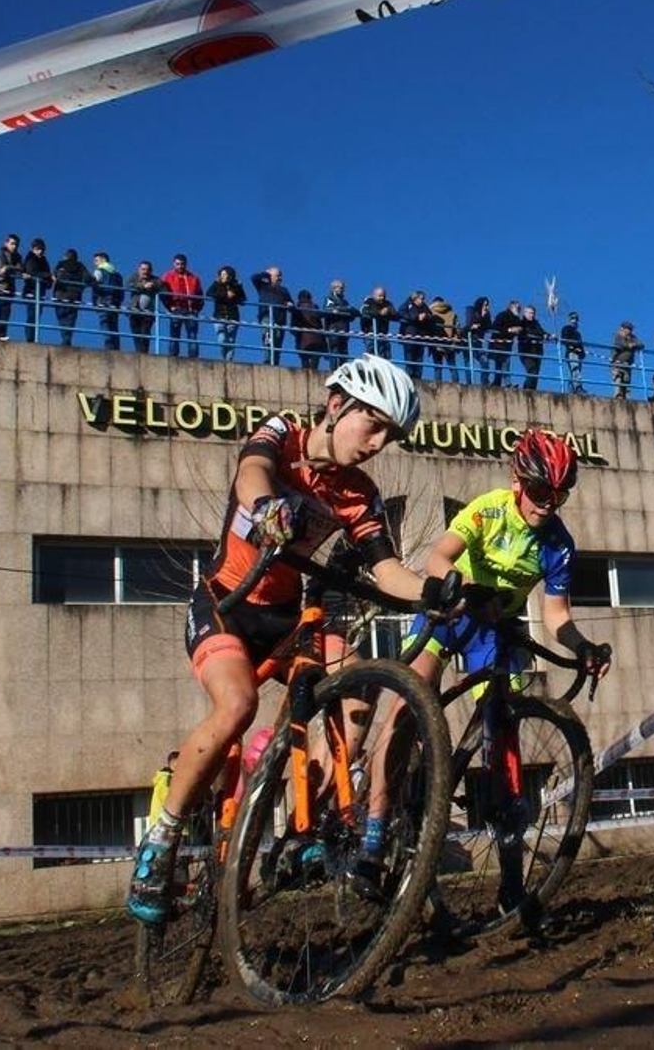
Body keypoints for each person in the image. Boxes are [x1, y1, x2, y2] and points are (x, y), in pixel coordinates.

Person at [128, 355, 446, 924]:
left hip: (286, 617)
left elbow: (386, 567)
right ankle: (162, 838)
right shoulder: (283, 433)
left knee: (353, 694)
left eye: (389, 436)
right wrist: (266, 505)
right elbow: (252, 473)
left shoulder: (359, 493)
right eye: (371, 424)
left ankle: (312, 822)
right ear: (336, 405)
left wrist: (434, 592)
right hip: (226, 605)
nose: (377, 442)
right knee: (239, 706)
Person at [389, 430, 612, 895]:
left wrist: (583, 647)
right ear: (517, 482)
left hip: (494, 633)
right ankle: (387, 809)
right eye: (539, 492)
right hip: (451, 615)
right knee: (411, 701)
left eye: (559, 494)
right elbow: (437, 558)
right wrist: (468, 590)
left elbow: (556, 615)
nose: (548, 503)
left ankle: (511, 876)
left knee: (502, 735)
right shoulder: (488, 508)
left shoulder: (559, 544)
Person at [160, 254, 204, 359]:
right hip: (176, 309)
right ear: (173, 264)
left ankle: (193, 358)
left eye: (182, 264)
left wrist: (196, 309)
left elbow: (200, 295)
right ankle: (173, 357)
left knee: (192, 335)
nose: (180, 266)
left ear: (186, 264)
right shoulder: (167, 276)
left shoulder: (194, 278)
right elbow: (163, 293)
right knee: (174, 334)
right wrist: (169, 306)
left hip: (190, 310)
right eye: (177, 264)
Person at [252, 266, 294, 366]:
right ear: (270, 275)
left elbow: (291, 302)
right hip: (267, 316)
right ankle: (267, 361)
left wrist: (289, 304)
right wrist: (265, 273)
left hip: (280, 319)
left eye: (281, 276)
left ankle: (275, 363)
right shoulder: (263, 285)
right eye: (278, 275)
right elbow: (254, 278)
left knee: (278, 341)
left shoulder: (284, 290)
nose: (280, 278)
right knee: (268, 339)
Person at [50, 249, 90, 347]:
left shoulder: (61, 264)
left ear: (65, 256)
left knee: (62, 318)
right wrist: (80, 288)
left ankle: (65, 339)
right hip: (75, 296)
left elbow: (53, 276)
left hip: (60, 294)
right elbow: (87, 278)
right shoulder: (80, 266)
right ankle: (67, 339)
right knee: (71, 319)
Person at [207, 266, 247, 361]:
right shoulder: (217, 284)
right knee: (222, 339)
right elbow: (209, 293)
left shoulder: (236, 286)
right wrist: (225, 295)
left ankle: (228, 360)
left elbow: (243, 300)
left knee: (231, 340)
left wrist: (235, 294)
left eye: (225, 274)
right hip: (219, 316)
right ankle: (223, 357)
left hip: (233, 316)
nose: (223, 276)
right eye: (222, 274)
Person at [0, 234, 23, 341]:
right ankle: (1, 334)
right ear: (6, 243)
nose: (14, 246)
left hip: (9, 288)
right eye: (12, 244)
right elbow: (0, 269)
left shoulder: (17, 256)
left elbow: (20, 269)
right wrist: (12, 268)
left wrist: (8, 267)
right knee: (5, 308)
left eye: (16, 245)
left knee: (3, 309)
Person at [397, 290, 437, 380]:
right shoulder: (407, 304)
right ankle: (409, 377)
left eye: (423, 299)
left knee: (419, 358)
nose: (422, 301)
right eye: (421, 299)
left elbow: (431, 316)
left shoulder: (424, 307)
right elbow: (400, 313)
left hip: (421, 336)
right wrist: (416, 317)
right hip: (409, 336)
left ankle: (418, 377)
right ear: (415, 298)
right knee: (409, 358)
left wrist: (425, 316)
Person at [127, 260, 165, 354]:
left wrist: (153, 285)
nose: (145, 272)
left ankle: (144, 353)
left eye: (147, 270)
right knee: (136, 333)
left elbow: (162, 286)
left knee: (145, 333)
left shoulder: (155, 279)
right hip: (134, 310)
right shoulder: (134, 277)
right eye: (143, 269)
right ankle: (139, 352)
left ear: (151, 271)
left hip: (148, 312)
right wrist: (143, 286)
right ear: (139, 269)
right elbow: (128, 285)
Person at [89, 251, 124, 350]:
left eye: (97, 260)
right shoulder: (117, 274)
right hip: (115, 302)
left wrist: (94, 301)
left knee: (105, 323)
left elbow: (94, 284)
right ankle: (116, 348)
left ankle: (109, 347)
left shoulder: (99, 270)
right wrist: (119, 302)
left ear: (103, 259)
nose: (95, 262)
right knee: (114, 325)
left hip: (103, 300)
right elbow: (121, 291)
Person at [20, 239, 52, 341]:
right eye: (38, 249)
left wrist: (48, 280)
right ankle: (30, 339)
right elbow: (33, 272)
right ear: (33, 249)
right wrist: (47, 276)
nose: (40, 251)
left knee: (36, 316)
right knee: (32, 315)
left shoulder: (44, 260)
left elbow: (47, 274)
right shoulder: (30, 258)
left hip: (40, 292)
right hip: (31, 291)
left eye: (42, 249)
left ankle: (33, 337)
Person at [488, 299, 523, 387]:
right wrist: (510, 330)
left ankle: (497, 383)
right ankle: (507, 383)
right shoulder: (502, 315)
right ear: (511, 307)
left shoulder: (517, 319)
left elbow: (521, 329)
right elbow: (495, 328)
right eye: (517, 308)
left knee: (500, 365)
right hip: (497, 343)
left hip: (506, 344)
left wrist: (519, 329)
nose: (519, 310)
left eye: (520, 308)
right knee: (504, 363)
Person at [322, 279, 357, 367]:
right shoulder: (329, 299)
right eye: (339, 287)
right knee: (334, 350)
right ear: (333, 288)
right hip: (334, 328)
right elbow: (327, 310)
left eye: (342, 288)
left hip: (344, 329)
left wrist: (343, 310)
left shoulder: (345, 302)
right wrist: (345, 310)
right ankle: (333, 370)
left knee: (344, 352)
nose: (341, 289)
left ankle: (344, 371)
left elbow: (352, 314)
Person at [358, 285, 397, 363]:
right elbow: (364, 312)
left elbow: (395, 314)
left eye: (383, 296)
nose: (382, 298)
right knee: (370, 352)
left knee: (385, 354)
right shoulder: (368, 303)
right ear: (374, 295)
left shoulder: (387, 304)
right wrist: (379, 313)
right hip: (370, 333)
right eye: (380, 296)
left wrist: (388, 310)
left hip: (383, 333)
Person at [291, 289, 327, 371]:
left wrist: (296, 334)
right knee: (315, 361)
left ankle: (306, 374)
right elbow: (320, 324)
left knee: (304, 360)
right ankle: (314, 373)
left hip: (303, 339)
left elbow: (293, 325)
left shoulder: (297, 309)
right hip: (317, 338)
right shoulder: (315, 307)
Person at [428, 295, 459, 383]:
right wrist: (455, 341)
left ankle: (438, 386)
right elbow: (458, 329)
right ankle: (457, 386)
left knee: (438, 367)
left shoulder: (430, 312)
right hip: (449, 343)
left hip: (436, 342)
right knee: (452, 366)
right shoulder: (452, 313)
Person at [462, 296, 492, 386]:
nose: (486, 307)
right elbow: (469, 325)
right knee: (468, 362)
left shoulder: (486, 314)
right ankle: (469, 383)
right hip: (467, 340)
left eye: (487, 305)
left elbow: (489, 326)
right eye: (485, 305)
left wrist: (484, 316)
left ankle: (484, 382)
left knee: (485, 361)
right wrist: (479, 318)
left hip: (478, 342)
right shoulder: (471, 311)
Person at [517, 305, 548, 390]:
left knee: (536, 374)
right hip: (526, 351)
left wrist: (547, 335)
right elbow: (521, 335)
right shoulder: (521, 323)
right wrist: (529, 338)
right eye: (530, 313)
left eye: (533, 313)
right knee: (532, 370)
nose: (532, 315)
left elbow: (542, 332)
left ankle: (532, 390)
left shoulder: (536, 324)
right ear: (525, 313)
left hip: (537, 351)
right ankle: (526, 390)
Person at [610, 320, 643, 399]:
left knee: (626, 381)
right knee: (618, 379)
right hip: (617, 362)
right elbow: (619, 344)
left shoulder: (633, 337)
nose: (630, 331)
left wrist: (634, 344)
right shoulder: (617, 335)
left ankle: (627, 398)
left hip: (627, 364)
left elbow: (641, 344)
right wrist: (628, 345)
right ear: (622, 328)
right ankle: (618, 396)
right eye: (628, 328)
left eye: (631, 329)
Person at [147, 751, 179, 827]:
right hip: (163, 826)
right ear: (174, 764)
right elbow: (169, 801)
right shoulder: (166, 779)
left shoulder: (169, 778)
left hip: (167, 825)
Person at [559, 310, 586, 395]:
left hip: (578, 354)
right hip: (571, 353)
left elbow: (581, 344)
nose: (574, 320)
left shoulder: (578, 333)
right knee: (575, 369)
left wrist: (582, 353)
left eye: (576, 319)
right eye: (573, 318)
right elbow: (564, 340)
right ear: (569, 319)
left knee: (576, 371)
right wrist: (573, 347)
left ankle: (572, 388)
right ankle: (578, 387)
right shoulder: (566, 328)